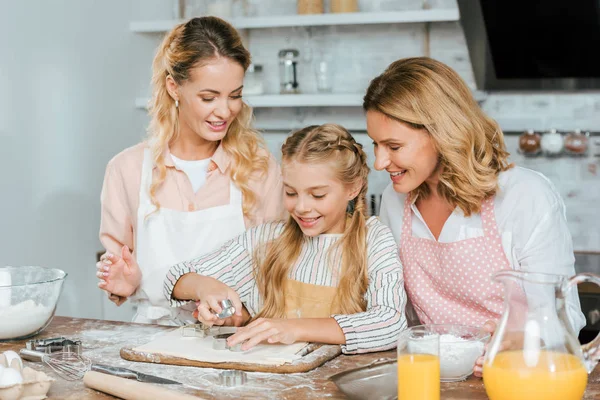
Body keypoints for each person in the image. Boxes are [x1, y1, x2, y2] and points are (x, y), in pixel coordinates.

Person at [363, 57, 585, 373]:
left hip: (515, 378)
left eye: (393, 146)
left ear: (441, 132)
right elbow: (399, 313)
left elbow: (566, 320)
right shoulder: (394, 201)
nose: (380, 162)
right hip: (432, 379)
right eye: (375, 144)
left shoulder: (524, 195)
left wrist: (519, 341)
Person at [95, 17, 284, 325]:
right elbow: (121, 274)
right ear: (174, 87)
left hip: (233, 341)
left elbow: (277, 275)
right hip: (150, 344)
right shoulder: (126, 170)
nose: (225, 111)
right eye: (209, 97)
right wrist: (123, 285)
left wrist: (239, 315)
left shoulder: (259, 169)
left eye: (235, 95)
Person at [158, 123, 407, 353]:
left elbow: (390, 323)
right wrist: (208, 288)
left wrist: (293, 328)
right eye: (290, 192)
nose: (301, 207)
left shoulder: (373, 240)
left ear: (353, 188)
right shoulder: (268, 238)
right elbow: (176, 277)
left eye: (317, 195)